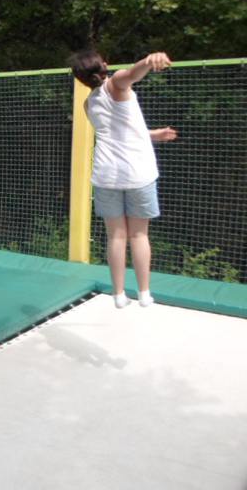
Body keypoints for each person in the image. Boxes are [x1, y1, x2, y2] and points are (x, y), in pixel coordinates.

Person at [69, 50, 178, 309]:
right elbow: (132, 72)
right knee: (139, 235)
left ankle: (118, 294)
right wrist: (149, 60)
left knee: (116, 237)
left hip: (106, 175)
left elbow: (121, 131)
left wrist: (153, 134)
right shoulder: (116, 82)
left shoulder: (89, 103)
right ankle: (144, 293)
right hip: (138, 173)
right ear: (104, 66)